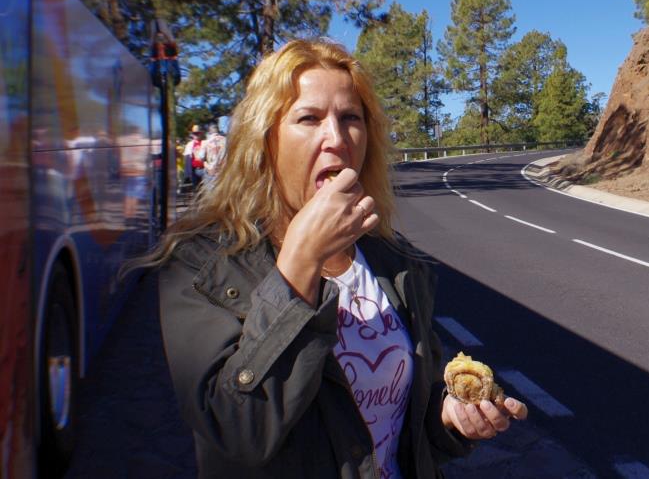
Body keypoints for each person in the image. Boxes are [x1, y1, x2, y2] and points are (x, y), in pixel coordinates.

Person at [147, 39, 527, 478]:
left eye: (350, 118)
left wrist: (447, 418)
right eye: (309, 118)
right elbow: (237, 433)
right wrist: (300, 264)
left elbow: (399, 421)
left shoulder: (392, 260)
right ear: (265, 139)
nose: (338, 138)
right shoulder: (202, 265)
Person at [183, 125, 205, 190]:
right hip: (194, 170)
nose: (196, 135)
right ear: (192, 134)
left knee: (205, 189)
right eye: (195, 133)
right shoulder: (189, 145)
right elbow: (187, 160)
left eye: (198, 133)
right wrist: (187, 174)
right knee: (196, 189)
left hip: (205, 170)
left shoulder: (205, 143)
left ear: (201, 133)